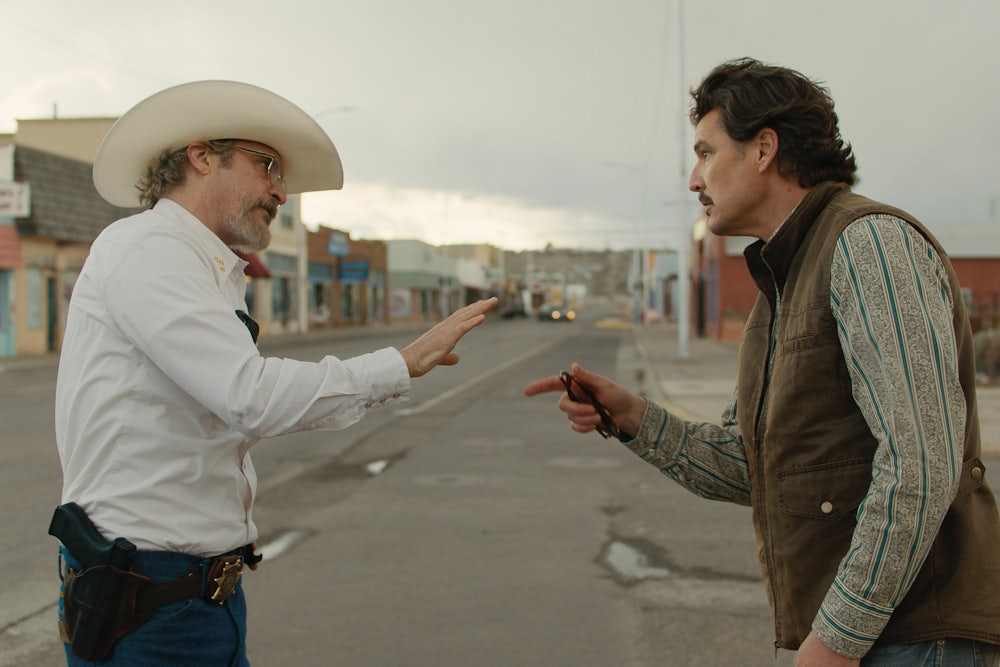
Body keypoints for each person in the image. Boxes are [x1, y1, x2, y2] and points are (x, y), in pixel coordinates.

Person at [526, 58, 1000, 666]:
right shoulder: (782, 284)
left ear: (763, 149)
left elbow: (921, 464)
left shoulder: (869, 244)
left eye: (705, 152)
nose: (694, 180)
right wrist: (636, 418)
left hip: (916, 641)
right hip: (868, 639)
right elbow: (755, 468)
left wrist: (836, 639)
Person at [53, 80, 497, 666]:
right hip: (149, 603)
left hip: (190, 595)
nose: (281, 191)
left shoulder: (204, 267)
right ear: (202, 155)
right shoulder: (150, 249)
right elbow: (250, 396)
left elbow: (216, 420)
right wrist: (400, 364)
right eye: (266, 166)